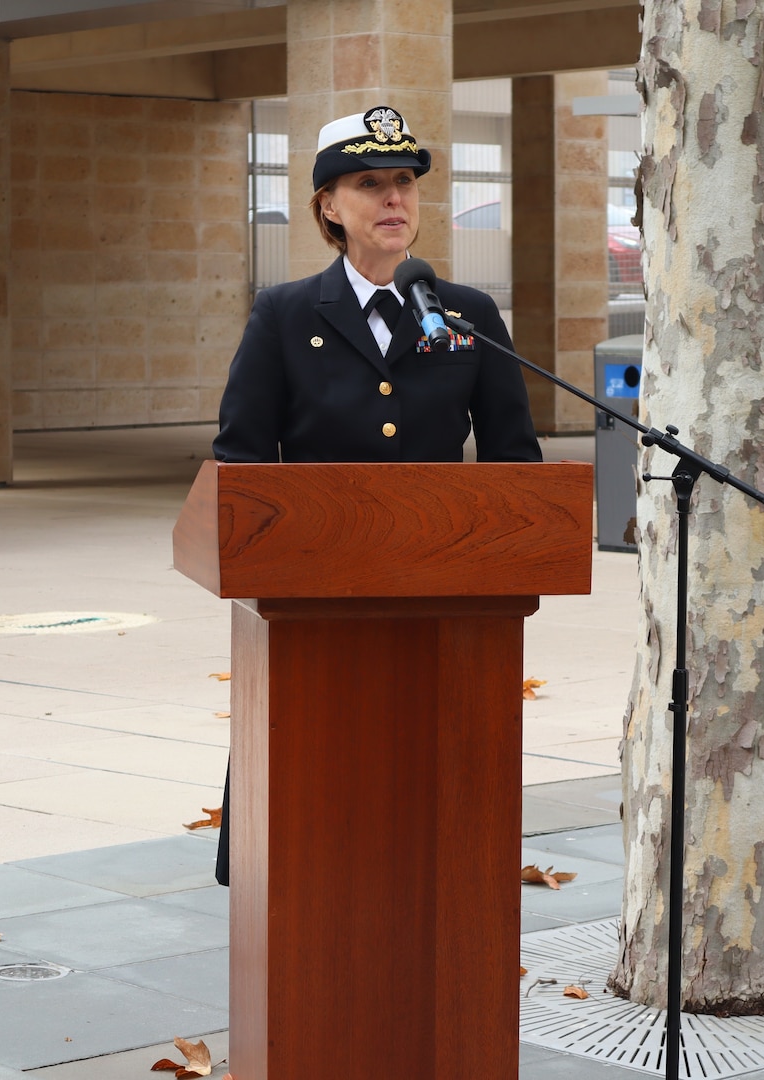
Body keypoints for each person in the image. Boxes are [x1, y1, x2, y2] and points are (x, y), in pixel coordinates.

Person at [211, 105, 542, 885]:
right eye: (370, 184)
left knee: (426, 834)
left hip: (442, 608)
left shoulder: (468, 315)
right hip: (316, 609)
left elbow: (512, 461)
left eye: (405, 183)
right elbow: (241, 464)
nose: (395, 199)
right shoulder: (286, 315)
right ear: (329, 204)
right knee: (316, 830)